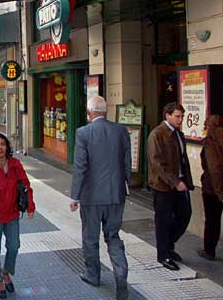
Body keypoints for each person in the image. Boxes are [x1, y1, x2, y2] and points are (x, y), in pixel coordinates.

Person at [70, 96, 131, 300]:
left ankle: (92, 274)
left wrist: (75, 196)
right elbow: (126, 161)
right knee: (113, 237)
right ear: (105, 111)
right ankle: (120, 274)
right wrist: (126, 185)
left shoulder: (83, 133)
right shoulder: (121, 130)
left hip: (91, 196)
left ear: (89, 113)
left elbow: (80, 166)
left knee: (90, 237)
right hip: (116, 195)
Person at [0, 133, 35, 299]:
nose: (0, 148)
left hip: (12, 213)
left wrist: (30, 205)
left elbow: (26, 185)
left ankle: (6, 271)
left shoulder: (15, 164)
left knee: (14, 246)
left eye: (3, 144)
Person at [147, 102, 194, 271]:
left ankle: (168, 244)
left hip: (180, 183)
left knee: (185, 215)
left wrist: (186, 181)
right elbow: (158, 163)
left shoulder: (178, 134)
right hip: (163, 186)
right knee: (163, 221)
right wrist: (175, 182)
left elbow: (183, 159)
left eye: (182, 116)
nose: (181, 120)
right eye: (177, 116)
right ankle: (164, 254)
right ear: (167, 115)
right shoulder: (157, 135)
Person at [198, 114, 223, 261]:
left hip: (213, 189)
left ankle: (209, 250)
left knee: (212, 221)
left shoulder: (211, 142)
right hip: (216, 188)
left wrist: (219, 191)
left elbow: (214, 168)